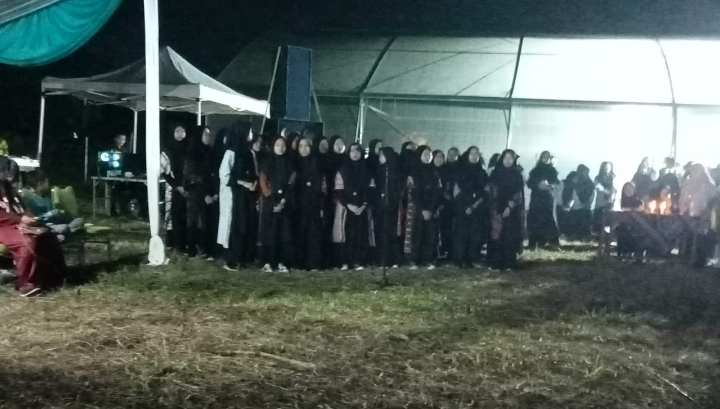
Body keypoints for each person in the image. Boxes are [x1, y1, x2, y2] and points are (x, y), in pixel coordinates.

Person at [0, 156, 66, 296]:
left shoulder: (11, 190)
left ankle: (52, 277)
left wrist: (31, 219)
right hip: (3, 226)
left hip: (16, 223)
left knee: (47, 235)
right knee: (27, 242)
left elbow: (23, 208)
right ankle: (26, 284)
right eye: (6, 172)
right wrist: (20, 219)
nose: (9, 177)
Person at [334, 143, 375, 270]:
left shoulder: (367, 171)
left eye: (357, 151)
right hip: (346, 208)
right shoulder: (342, 170)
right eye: (352, 151)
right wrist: (349, 205)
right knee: (346, 234)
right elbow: (339, 191)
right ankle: (346, 261)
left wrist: (363, 205)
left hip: (362, 208)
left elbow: (371, 189)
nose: (355, 153)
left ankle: (359, 261)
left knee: (361, 234)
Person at [224, 122, 258, 270]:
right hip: (238, 195)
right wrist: (244, 184)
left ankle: (245, 257)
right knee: (238, 225)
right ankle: (232, 258)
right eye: (249, 132)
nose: (251, 134)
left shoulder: (249, 152)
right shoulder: (231, 152)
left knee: (248, 225)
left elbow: (255, 172)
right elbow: (227, 177)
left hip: (249, 194)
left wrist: (254, 183)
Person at [258, 137, 294, 273]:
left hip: (284, 204)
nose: (280, 147)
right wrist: (273, 202)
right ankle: (267, 262)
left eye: (283, 145)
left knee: (283, 234)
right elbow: (263, 183)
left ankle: (281, 262)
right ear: (273, 146)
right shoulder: (267, 162)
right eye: (278, 145)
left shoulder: (289, 163)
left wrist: (283, 201)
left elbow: (292, 184)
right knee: (269, 233)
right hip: (270, 204)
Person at [487, 149, 524, 271]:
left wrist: (509, 206)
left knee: (510, 236)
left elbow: (518, 193)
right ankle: (495, 263)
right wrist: (495, 207)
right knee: (496, 235)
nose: (507, 161)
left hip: (512, 210)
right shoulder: (495, 173)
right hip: (496, 209)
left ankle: (509, 262)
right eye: (505, 158)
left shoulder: (517, 175)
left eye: (510, 158)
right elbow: (491, 191)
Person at [453, 146, 489, 268]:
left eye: (476, 154)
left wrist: (474, 206)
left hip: (477, 209)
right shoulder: (460, 171)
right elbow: (456, 191)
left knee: (475, 234)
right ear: (467, 155)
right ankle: (460, 259)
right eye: (472, 153)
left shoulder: (482, 172)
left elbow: (485, 192)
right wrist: (465, 206)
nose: (474, 156)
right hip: (462, 208)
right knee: (461, 234)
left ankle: (472, 258)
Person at [407, 146, 441, 270]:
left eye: (430, 154)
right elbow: (413, 191)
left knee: (431, 235)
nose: (428, 157)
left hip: (431, 208)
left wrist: (431, 208)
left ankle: (428, 259)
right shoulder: (413, 172)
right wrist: (422, 209)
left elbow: (438, 191)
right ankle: (414, 259)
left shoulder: (435, 172)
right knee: (417, 233)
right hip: (418, 208)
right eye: (425, 154)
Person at [294, 137, 325, 271]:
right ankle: (299, 263)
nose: (304, 149)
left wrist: (321, 205)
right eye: (301, 146)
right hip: (298, 203)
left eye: (306, 145)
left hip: (313, 203)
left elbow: (322, 186)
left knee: (314, 233)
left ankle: (314, 263)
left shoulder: (317, 162)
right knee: (300, 232)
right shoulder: (294, 163)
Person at [24, 170, 84, 237]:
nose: (48, 184)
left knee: (79, 221)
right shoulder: (31, 199)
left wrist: (61, 213)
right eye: (46, 182)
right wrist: (51, 214)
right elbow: (34, 219)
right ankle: (60, 234)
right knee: (64, 227)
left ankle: (59, 234)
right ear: (40, 184)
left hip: (56, 224)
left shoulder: (48, 196)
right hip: (44, 226)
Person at [182, 126, 212, 257]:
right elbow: (192, 175)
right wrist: (204, 193)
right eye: (205, 134)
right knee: (193, 220)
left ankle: (203, 248)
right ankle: (191, 248)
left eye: (209, 134)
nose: (208, 137)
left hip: (207, 191)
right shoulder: (192, 154)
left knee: (205, 220)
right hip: (195, 191)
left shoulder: (209, 152)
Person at [375, 147, 403, 268]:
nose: (379, 157)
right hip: (381, 207)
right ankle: (383, 259)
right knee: (382, 233)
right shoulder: (379, 170)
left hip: (392, 206)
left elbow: (397, 189)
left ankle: (394, 259)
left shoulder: (394, 170)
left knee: (392, 233)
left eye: (382, 155)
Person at [526, 151, 560, 250]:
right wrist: (538, 185)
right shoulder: (535, 170)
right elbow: (529, 183)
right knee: (534, 220)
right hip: (536, 198)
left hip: (547, 199)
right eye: (544, 157)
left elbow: (555, 183)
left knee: (548, 219)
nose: (546, 159)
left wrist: (549, 186)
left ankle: (552, 242)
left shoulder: (552, 170)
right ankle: (532, 243)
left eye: (547, 157)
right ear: (541, 158)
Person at [164, 124, 189, 253]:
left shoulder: (189, 148)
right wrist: (177, 186)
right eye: (177, 131)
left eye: (182, 131)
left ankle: (184, 243)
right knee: (174, 216)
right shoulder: (167, 149)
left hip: (187, 187)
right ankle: (173, 243)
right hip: (173, 187)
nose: (180, 133)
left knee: (185, 216)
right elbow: (165, 172)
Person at [433, 150, 453, 260]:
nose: (439, 159)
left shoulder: (447, 171)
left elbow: (449, 188)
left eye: (441, 157)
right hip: (432, 203)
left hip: (445, 204)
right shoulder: (429, 170)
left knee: (445, 228)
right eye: (437, 157)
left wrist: (445, 198)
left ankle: (445, 250)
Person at [567, 165, 595, 241]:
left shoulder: (588, 183)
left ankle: (583, 236)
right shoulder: (575, 179)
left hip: (584, 207)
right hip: (576, 207)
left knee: (583, 224)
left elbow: (587, 196)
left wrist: (576, 185)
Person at [592, 162, 616, 235]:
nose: (606, 168)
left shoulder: (614, 177)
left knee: (609, 220)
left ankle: (609, 235)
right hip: (600, 202)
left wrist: (610, 194)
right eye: (605, 167)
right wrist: (607, 191)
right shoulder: (598, 178)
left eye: (608, 167)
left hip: (610, 202)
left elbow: (615, 188)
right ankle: (597, 234)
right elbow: (598, 186)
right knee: (598, 219)